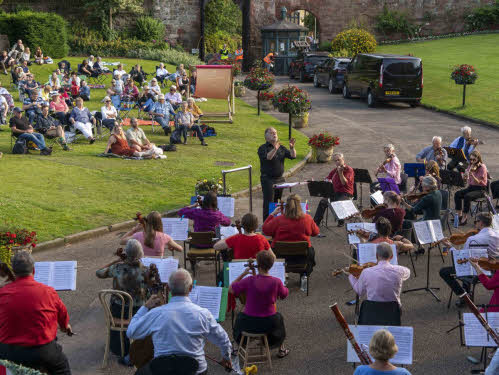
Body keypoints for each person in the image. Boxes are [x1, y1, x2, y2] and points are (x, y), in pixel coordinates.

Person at [127, 269, 232, 375]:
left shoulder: (156, 313)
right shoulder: (203, 314)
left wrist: (145, 307)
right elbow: (223, 340)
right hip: (196, 371)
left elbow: (131, 332)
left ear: (168, 288)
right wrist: (226, 358)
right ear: (190, 288)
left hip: (163, 371)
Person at [0, 251, 73, 375]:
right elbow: (62, 314)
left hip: (9, 352)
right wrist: (65, 326)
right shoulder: (48, 291)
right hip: (42, 351)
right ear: (33, 270)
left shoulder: (2, 293)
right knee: (63, 369)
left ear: (14, 271)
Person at [96, 239, 150, 362]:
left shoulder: (117, 268)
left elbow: (98, 273)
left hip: (117, 312)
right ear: (140, 254)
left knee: (116, 303)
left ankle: (117, 347)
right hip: (138, 313)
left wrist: (115, 261)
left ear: (126, 253)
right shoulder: (146, 271)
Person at [230, 250, 290, 358]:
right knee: (279, 318)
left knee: (239, 317)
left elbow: (231, 289)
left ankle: (235, 347)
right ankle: (281, 349)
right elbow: (284, 294)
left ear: (258, 264)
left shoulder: (249, 280)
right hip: (269, 324)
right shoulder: (276, 282)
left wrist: (244, 273)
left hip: (249, 324)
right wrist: (283, 285)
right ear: (271, 265)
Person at [439, 213, 499, 306]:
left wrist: (450, 247)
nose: (475, 224)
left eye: (476, 222)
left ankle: (464, 296)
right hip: (494, 271)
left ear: (481, 223)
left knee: (444, 271)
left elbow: (462, 257)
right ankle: (466, 293)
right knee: (469, 264)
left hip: (478, 270)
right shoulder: (497, 234)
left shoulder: (472, 239)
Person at [263, 194, 319, 274]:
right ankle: (304, 274)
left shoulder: (279, 219)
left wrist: (272, 214)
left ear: (287, 207)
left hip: (280, 255)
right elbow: (316, 232)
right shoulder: (307, 218)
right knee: (311, 250)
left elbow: (265, 230)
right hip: (302, 255)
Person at [258, 127, 296, 221]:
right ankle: (266, 225)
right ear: (266, 136)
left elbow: (293, 156)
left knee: (277, 202)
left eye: (275, 132)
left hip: (279, 179)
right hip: (268, 179)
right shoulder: (263, 148)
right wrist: (275, 148)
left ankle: (275, 223)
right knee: (269, 203)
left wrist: (292, 148)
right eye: (271, 133)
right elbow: (269, 157)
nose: (274, 134)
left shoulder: (281, 147)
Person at [313, 152, 355, 230]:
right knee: (323, 202)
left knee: (337, 202)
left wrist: (340, 173)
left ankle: (341, 220)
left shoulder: (349, 169)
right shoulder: (335, 170)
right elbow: (327, 179)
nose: (337, 162)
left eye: (339, 160)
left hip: (346, 193)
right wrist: (316, 182)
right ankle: (315, 223)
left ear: (343, 160)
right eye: (335, 161)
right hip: (335, 192)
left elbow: (344, 183)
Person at [454, 150, 488, 226]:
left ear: (478, 159)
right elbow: (467, 181)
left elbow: (479, 182)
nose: (472, 161)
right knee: (457, 194)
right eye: (471, 159)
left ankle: (465, 217)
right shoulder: (470, 166)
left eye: (474, 160)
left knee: (467, 196)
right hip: (471, 187)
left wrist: (472, 175)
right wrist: (465, 177)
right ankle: (459, 215)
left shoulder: (482, 167)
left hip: (481, 189)